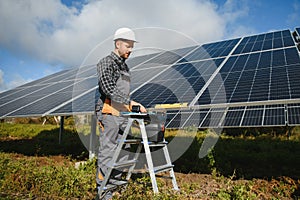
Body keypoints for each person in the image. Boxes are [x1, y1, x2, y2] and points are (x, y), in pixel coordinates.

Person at [95, 27, 146, 199]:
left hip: (122, 114)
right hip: (109, 112)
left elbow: (123, 93)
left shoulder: (125, 66)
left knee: (122, 151)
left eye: (132, 46)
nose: (130, 50)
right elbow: (108, 88)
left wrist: (131, 107)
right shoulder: (106, 62)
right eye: (127, 46)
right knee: (108, 151)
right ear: (118, 44)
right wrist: (131, 103)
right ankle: (104, 192)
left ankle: (114, 185)